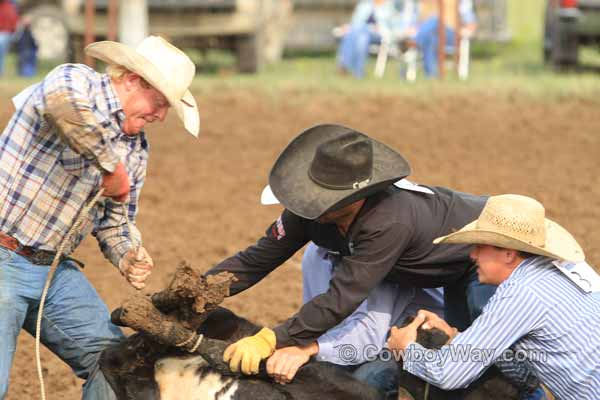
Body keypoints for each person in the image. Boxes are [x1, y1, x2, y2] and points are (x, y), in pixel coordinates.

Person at [0, 36, 199, 399]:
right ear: (132, 80)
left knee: (119, 367)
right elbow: (60, 105)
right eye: (159, 102)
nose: (160, 116)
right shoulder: (75, 81)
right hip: (4, 251)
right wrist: (109, 166)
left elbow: (114, 220)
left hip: (53, 270)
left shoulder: (136, 149)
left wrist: (127, 253)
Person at [387, 194, 600, 399]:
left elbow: (449, 374)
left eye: (480, 247)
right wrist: (457, 339)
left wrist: (406, 349)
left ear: (508, 253)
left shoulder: (520, 292)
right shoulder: (564, 268)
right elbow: (527, 376)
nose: (472, 255)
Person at [269, 242, 444, 393]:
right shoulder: (315, 253)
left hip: (414, 344)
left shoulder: (379, 251)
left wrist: (307, 350)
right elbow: (319, 317)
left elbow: (369, 336)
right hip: (365, 341)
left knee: (365, 381)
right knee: (312, 374)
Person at [336, 0, 407, 78]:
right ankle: (357, 71)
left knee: (357, 33)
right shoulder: (365, 4)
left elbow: (397, 25)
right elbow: (355, 22)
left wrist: (379, 28)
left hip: (382, 35)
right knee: (360, 37)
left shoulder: (392, 4)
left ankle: (345, 64)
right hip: (362, 33)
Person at [405, 0, 476, 77]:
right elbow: (413, 21)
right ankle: (432, 75)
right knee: (430, 38)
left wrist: (466, 31)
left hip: (451, 34)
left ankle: (414, 42)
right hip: (429, 34)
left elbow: (470, 22)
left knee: (434, 20)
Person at [0, 0, 18, 75]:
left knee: (1, 53)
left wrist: (12, 30)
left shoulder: (9, 5)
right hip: (5, 32)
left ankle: (1, 71)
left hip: (5, 32)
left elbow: (13, 19)